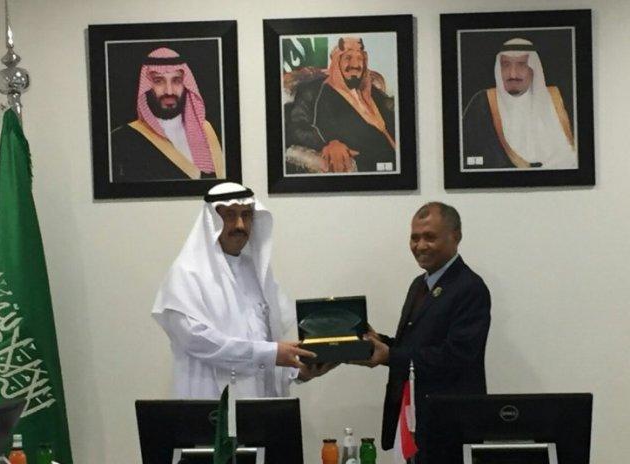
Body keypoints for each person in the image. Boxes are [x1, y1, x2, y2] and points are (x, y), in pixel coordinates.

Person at [152, 182, 333, 399]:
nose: (240, 225)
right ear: (212, 220)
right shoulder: (187, 274)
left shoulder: (256, 272)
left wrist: (300, 372)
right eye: (230, 215)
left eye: (246, 215)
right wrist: (270, 353)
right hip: (210, 405)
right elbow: (197, 341)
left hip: (259, 408)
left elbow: (266, 341)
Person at [356, 202, 491, 460]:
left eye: (429, 237)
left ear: (456, 237)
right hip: (413, 424)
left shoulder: (470, 288)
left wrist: (390, 356)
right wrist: (377, 341)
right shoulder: (419, 285)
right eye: (414, 237)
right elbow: (416, 346)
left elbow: (457, 356)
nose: (420, 246)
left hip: (449, 428)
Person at [111, 46, 224, 182]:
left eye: (176, 80)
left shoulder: (214, 131)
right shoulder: (121, 140)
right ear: (146, 86)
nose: (169, 91)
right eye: (158, 81)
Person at [462, 38, 577, 170]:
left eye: (522, 64)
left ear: (533, 68)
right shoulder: (482, 103)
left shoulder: (560, 99)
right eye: (506, 65)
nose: (513, 74)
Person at [285, 37, 396, 173]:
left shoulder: (371, 91)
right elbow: (296, 127)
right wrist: (328, 143)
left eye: (360, 58)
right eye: (348, 57)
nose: (355, 64)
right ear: (337, 61)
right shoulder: (314, 90)